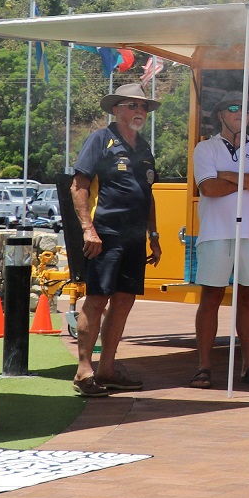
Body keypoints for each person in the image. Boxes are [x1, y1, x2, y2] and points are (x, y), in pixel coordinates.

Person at [70, 84, 163, 398]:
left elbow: (147, 196)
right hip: (105, 234)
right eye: (133, 105)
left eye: (143, 107)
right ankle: (84, 370)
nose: (140, 111)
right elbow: (79, 185)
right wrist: (88, 229)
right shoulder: (100, 139)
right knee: (97, 299)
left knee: (124, 302)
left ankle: (107, 369)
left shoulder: (144, 147)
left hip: (135, 238)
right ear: (116, 109)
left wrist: (154, 235)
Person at [189, 95, 249, 390]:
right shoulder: (205, 147)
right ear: (220, 115)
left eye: (246, 110)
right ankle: (203, 367)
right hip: (215, 233)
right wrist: (246, 178)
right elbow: (209, 188)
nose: (241, 113)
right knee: (211, 298)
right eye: (234, 108)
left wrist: (227, 174)